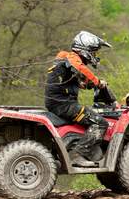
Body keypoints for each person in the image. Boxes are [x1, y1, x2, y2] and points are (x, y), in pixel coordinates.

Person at [45, 31, 112, 167]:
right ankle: (77, 154)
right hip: (64, 105)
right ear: (85, 49)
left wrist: (90, 83)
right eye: (94, 52)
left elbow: (78, 80)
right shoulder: (71, 58)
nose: (94, 56)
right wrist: (97, 81)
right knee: (100, 123)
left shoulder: (65, 62)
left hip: (58, 103)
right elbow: (80, 68)